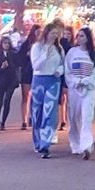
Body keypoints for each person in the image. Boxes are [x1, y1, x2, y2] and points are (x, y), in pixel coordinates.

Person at [64, 28, 95, 160]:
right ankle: (75, 143)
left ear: (87, 38)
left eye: (82, 36)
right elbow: (67, 70)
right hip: (74, 90)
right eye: (78, 36)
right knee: (74, 118)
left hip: (88, 90)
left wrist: (87, 82)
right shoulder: (71, 52)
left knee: (86, 117)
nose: (79, 38)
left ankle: (86, 145)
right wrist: (75, 81)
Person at [29, 23, 64, 158]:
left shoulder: (59, 48)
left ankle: (45, 144)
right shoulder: (37, 47)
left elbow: (63, 64)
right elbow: (36, 66)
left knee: (50, 112)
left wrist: (59, 71)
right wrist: (45, 54)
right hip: (39, 80)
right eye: (52, 33)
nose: (55, 36)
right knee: (37, 112)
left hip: (53, 81)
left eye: (56, 33)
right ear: (46, 33)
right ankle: (38, 141)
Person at [0, 35, 19, 130]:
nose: (6, 45)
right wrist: (2, 68)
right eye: (4, 43)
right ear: (1, 44)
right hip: (1, 80)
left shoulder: (14, 54)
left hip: (11, 80)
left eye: (8, 43)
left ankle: (3, 122)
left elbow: (16, 67)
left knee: (7, 100)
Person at [18, 24, 40, 130]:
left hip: (37, 73)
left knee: (35, 97)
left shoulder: (43, 45)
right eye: (37, 31)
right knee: (26, 97)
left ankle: (33, 116)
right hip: (27, 72)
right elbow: (19, 57)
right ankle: (24, 120)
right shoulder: (27, 44)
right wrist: (27, 55)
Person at [58, 26, 74, 132]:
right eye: (65, 34)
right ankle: (62, 120)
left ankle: (70, 120)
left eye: (68, 34)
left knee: (70, 98)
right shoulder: (59, 46)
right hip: (61, 73)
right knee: (61, 99)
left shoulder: (73, 48)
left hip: (70, 73)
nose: (66, 36)